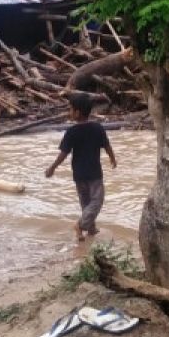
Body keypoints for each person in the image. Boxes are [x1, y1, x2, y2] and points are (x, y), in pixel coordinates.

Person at [45, 93, 117, 242]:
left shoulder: (71, 132)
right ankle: (80, 225)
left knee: (86, 203)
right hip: (94, 173)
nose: (69, 112)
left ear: (78, 112)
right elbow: (107, 146)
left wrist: (52, 167)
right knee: (96, 201)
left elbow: (63, 154)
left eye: (70, 109)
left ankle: (89, 229)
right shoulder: (97, 128)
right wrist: (112, 159)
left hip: (79, 174)